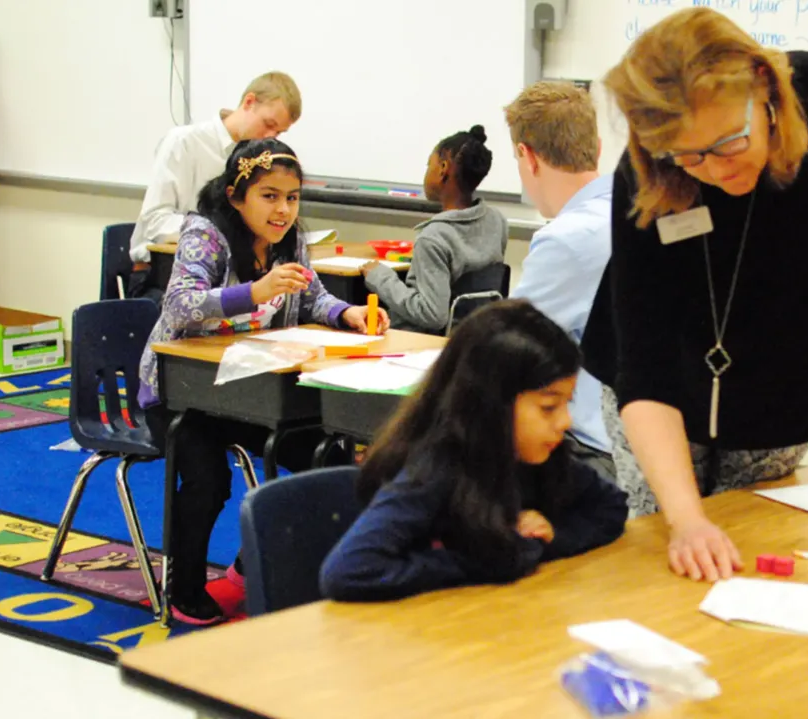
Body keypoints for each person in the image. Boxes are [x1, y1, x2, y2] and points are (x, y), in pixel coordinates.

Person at [578, 7, 808, 582]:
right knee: (675, 562)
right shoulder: (650, 165)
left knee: (758, 562)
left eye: (729, 142)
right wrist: (685, 520)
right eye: (688, 156)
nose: (712, 170)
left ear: (764, 86)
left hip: (779, 387)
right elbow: (644, 367)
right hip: (660, 398)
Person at [137, 139, 390, 625]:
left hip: (248, 387)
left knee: (329, 456)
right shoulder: (205, 235)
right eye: (269, 196)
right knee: (209, 480)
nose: (283, 210)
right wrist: (253, 291)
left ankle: (251, 566)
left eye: (292, 197)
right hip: (180, 392)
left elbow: (312, 295)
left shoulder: (290, 238)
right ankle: (183, 587)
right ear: (236, 196)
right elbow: (180, 306)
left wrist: (348, 312)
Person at [319, 300, 629, 601]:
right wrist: (488, 561)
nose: (565, 421)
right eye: (549, 407)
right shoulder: (436, 468)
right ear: (492, 404)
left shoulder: (538, 455)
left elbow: (611, 507)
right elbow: (350, 571)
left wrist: (551, 539)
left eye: (567, 403)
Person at [502, 81, 614, 480]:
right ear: (597, 149)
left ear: (526, 157)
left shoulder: (569, 239)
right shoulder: (636, 208)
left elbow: (509, 349)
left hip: (592, 451)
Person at [128, 71, 302, 304]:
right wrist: (218, 234)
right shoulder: (184, 143)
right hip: (163, 277)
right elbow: (154, 221)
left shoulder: (262, 158)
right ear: (249, 102)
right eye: (268, 124)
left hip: (231, 275)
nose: (271, 136)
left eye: (279, 132)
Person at [362, 125, 508, 333]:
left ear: (442, 169)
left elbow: (432, 314)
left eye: (428, 164)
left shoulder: (434, 237)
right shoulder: (497, 221)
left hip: (420, 343)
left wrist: (379, 277)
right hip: (470, 337)